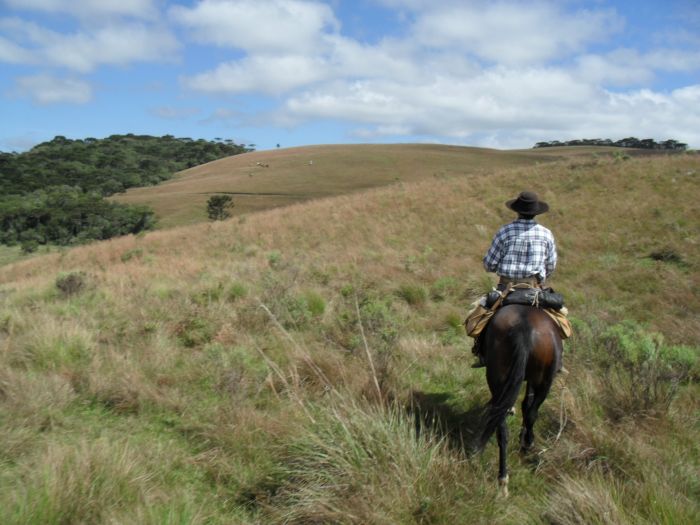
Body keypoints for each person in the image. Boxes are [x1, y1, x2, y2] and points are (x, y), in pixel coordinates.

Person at [471, 190, 557, 368]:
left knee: (479, 319)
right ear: (536, 212)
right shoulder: (546, 234)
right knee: (560, 319)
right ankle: (558, 360)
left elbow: (489, 264)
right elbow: (551, 265)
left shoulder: (504, 231)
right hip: (534, 289)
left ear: (517, 211)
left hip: (505, 289)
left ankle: (482, 353)